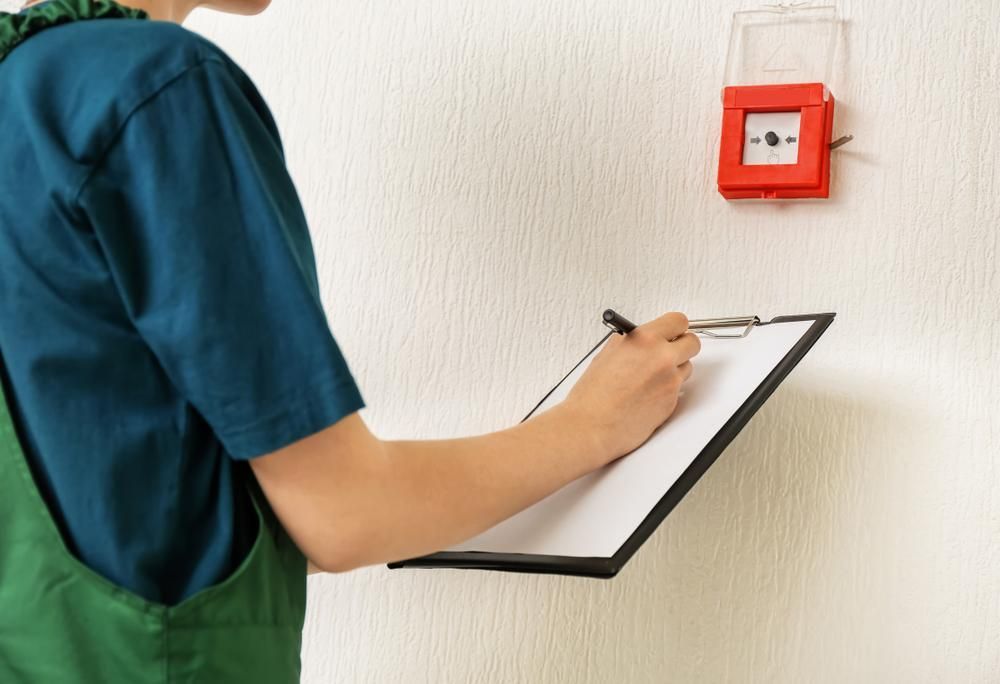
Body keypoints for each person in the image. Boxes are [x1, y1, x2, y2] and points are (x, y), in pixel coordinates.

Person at [0, 0, 700, 681]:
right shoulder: (158, 87)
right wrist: (591, 425)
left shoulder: (27, 89)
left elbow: (135, 504)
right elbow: (346, 516)